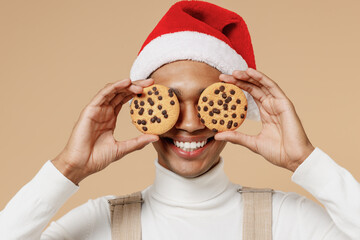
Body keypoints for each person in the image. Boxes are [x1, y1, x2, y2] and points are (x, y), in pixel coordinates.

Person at [0, 1, 359, 239]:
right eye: (170, 100)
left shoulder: (288, 221)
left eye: (206, 101)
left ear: (235, 105)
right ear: (140, 106)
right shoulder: (101, 225)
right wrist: (69, 167)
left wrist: (307, 161)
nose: (188, 124)